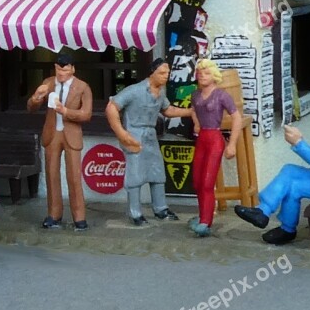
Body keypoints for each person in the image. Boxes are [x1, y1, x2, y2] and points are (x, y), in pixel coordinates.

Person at [106, 58, 193, 226]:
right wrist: (121, 133)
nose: (165, 76)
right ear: (152, 73)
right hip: (134, 135)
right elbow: (112, 107)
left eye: (167, 73)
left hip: (151, 135)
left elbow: (167, 110)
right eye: (161, 73)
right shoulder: (135, 90)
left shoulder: (160, 93)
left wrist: (190, 111)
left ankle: (160, 208)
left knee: (157, 172)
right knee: (135, 174)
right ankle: (134, 212)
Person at [27, 53, 92, 231]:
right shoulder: (48, 83)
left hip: (71, 133)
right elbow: (31, 108)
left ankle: (79, 217)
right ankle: (54, 214)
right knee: (51, 175)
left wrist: (66, 111)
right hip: (52, 133)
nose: (61, 73)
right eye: (58, 69)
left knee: (73, 177)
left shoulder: (82, 87)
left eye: (65, 69)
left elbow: (86, 114)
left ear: (72, 69)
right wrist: (36, 97)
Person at [234, 125, 310, 245]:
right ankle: (282, 225)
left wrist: (298, 142)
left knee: (291, 179)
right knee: (291, 177)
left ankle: (267, 213)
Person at [188, 59, 241, 237]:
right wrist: (196, 123)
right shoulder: (195, 95)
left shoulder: (221, 95)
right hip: (202, 138)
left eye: (207, 72)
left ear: (214, 75)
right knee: (197, 181)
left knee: (208, 182)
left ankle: (205, 221)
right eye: (200, 72)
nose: (202, 75)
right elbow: (193, 110)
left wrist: (232, 143)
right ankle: (203, 215)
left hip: (215, 139)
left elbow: (237, 117)